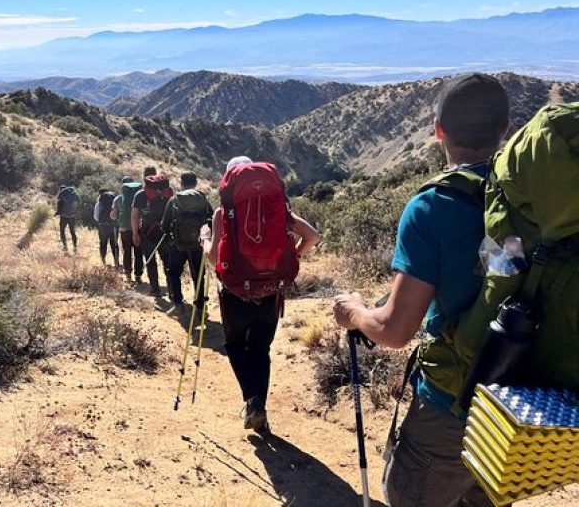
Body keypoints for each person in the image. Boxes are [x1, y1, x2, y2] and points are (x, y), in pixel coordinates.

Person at [332, 73, 510, 507]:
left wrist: (354, 312)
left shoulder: (432, 207)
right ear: (506, 130)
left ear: (439, 131)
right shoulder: (535, 200)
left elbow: (394, 330)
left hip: (453, 404)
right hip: (524, 405)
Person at [202, 156, 320, 433]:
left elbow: (213, 259)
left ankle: (251, 400)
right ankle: (260, 410)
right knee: (260, 349)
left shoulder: (223, 213)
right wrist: (294, 255)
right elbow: (313, 236)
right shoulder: (279, 210)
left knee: (234, 346)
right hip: (271, 291)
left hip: (235, 293)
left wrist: (205, 238)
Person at [161, 171, 213, 311]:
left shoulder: (173, 200)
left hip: (178, 245)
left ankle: (178, 302)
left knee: (173, 273)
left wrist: (173, 237)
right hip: (198, 244)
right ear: (195, 183)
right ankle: (200, 305)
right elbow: (211, 219)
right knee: (198, 275)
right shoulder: (203, 199)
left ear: (181, 183)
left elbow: (164, 225)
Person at [131, 167, 172, 297]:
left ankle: (155, 289)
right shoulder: (167, 192)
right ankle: (172, 290)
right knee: (167, 261)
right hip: (165, 233)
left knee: (150, 260)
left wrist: (135, 233)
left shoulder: (141, 194)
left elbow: (134, 216)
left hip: (147, 233)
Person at [111, 175, 144, 283]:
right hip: (138, 228)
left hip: (124, 229)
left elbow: (114, 215)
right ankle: (138, 275)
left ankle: (128, 274)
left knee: (127, 251)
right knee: (138, 252)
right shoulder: (139, 197)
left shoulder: (118, 199)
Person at [94, 188, 120, 267]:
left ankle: (103, 261)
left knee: (103, 243)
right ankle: (116, 262)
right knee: (114, 244)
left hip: (103, 226)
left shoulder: (99, 203)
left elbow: (96, 217)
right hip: (113, 225)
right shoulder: (115, 200)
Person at [55, 184, 79, 254]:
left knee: (62, 231)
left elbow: (59, 209)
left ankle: (65, 247)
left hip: (64, 217)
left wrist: (56, 213)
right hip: (72, 216)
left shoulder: (62, 197)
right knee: (72, 232)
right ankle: (75, 247)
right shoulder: (72, 196)